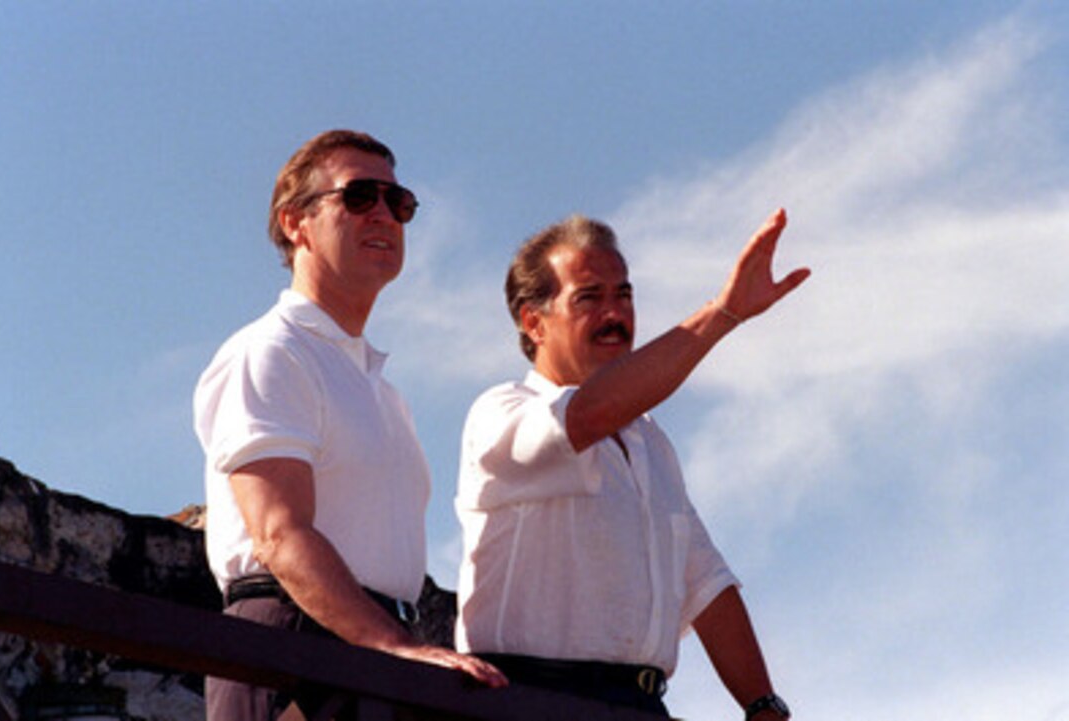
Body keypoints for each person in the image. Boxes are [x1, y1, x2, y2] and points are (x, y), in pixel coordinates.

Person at [194, 129, 506, 721]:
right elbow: (279, 534)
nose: (385, 215)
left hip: (371, 653)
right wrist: (393, 645)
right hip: (294, 647)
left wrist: (396, 651)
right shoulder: (270, 351)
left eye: (400, 202)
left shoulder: (382, 391)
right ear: (296, 222)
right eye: (360, 196)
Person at [455, 210, 809, 718]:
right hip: (530, 702)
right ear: (533, 321)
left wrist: (763, 706)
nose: (614, 314)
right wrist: (723, 314)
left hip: (639, 706)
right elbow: (589, 413)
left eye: (623, 295)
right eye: (589, 297)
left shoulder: (650, 445)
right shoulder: (501, 414)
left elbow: (707, 586)